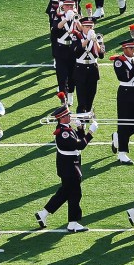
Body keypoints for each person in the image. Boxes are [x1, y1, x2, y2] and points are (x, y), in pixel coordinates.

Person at [36, 95, 97, 232]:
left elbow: (78, 139)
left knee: (64, 193)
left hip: (70, 166)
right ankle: (73, 222)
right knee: (75, 194)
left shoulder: (67, 129)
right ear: (62, 117)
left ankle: (43, 214)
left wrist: (81, 129)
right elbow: (80, 145)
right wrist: (91, 132)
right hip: (69, 168)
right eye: (69, 115)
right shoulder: (63, 133)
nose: (71, 116)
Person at [111, 32, 134, 165]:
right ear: (124, 49)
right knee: (124, 123)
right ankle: (122, 153)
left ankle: (118, 137)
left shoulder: (133, 60)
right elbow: (124, 77)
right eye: (131, 48)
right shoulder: (119, 61)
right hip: (125, 93)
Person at [71, 12, 103, 115]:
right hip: (81, 69)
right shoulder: (77, 36)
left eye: (91, 26)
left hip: (93, 69)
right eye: (87, 26)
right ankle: (81, 121)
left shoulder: (98, 37)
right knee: (81, 99)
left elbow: (101, 55)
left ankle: (88, 114)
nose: (89, 28)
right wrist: (87, 40)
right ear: (82, 27)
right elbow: (76, 52)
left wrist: (95, 42)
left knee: (91, 96)